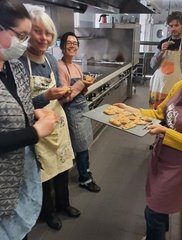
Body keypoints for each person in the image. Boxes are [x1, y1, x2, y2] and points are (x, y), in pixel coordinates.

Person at [115, 29, 182, 240]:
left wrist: (165, 132)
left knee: (153, 211)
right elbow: (159, 113)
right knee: (156, 207)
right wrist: (133, 111)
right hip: (161, 158)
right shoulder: (181, 85)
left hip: (179, 167)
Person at [0, 1, 58, 239]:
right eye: (21, 36)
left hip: (23, 167)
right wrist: (34, 132)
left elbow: (21, 103)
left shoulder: (14, 67)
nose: (24, 43)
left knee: (21, 229)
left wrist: (33, 112)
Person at [19, 11, 80, 231]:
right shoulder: (19, 62)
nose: (44, 37)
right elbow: (21, 104)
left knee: (63, 168)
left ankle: (65, 204)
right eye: (38, 31)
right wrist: (46, 97)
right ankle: (49, 212)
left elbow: (59, 94)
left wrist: (65, 94)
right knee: (44, 175)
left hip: (58, 123)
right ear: (27, 33)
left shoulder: (50, 59)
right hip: (39, 130)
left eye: (48, 33)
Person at [57, 32, 101, 192]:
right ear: (62, 46)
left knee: (86, 142)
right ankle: (84, 179)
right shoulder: (59, 66)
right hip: (71, 110)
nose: (72, 45)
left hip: (83, 106)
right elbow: (64, 96)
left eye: (75, 43)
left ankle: (86, 169)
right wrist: (81, 84)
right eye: (68, 43)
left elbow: (81, 92)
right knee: (81, 145)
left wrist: (86, 85)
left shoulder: (77, 66)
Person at [149, 11, 182, 109]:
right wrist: (161, 52)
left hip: (177, 83)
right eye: (171, 26)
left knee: (173, 112)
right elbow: (152, 65)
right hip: (160, 84)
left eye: (176, 25)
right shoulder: (163, 43)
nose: (173, 29)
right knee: (157, 111)